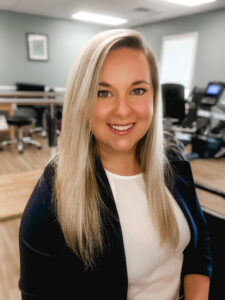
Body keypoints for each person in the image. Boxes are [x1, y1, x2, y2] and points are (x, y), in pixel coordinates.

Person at [19, 29, 212, 300]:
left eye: (137, 90)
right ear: (81, 101)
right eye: (103, 92)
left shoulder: (173, 163)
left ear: (153, 97)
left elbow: (198, 246)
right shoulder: (53, 195)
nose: (123, 110)